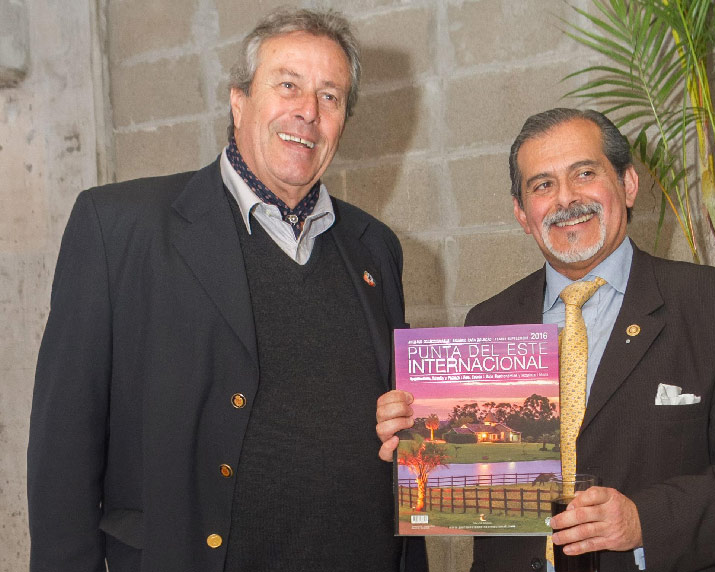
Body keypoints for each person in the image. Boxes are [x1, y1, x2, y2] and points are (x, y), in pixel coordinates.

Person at [28, 8, 425, 572]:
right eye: (287, 84)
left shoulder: (375, 248)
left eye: (330, 96)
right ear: (239, 99)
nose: (307, 112)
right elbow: (62, 454)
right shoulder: (117, 229)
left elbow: (396, 426)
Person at [376, 108, 715, 572]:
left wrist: (645, 522)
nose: (566, 199)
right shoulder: (490, 322)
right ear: (522, 213)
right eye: (542, 185)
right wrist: (414, 436)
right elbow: (469, 486)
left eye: (584, 173)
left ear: (628, 184)